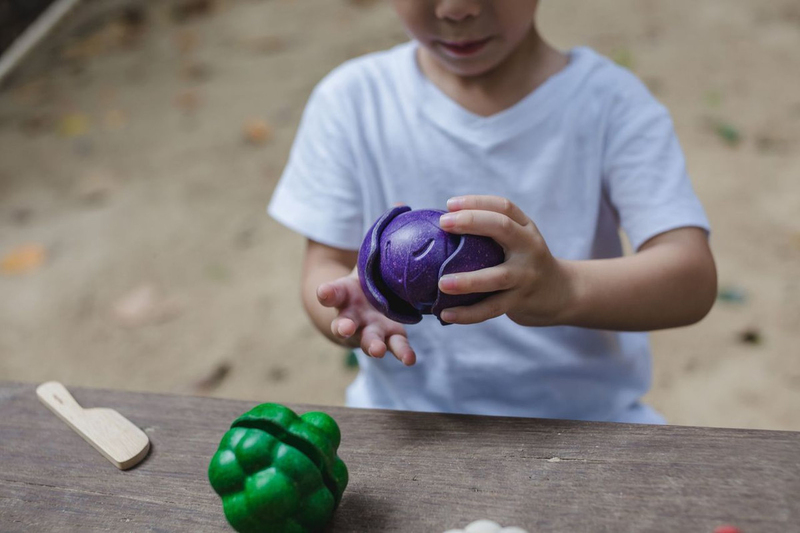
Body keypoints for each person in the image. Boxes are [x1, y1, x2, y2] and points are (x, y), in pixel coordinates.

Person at [268, 0, 717, 424]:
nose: (456, 8)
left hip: (590, 425)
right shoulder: (351, 101)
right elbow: (323, 265)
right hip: (408, 422)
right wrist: (347, 311)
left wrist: (566, 289)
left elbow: (691, 278)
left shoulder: (611, 105)